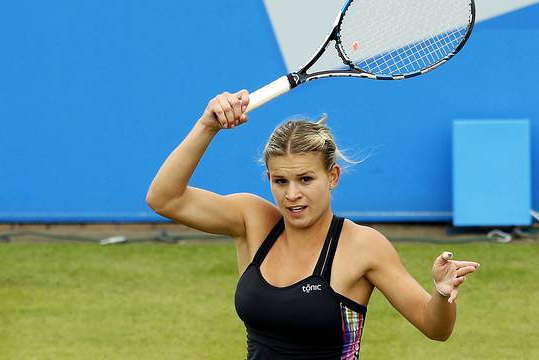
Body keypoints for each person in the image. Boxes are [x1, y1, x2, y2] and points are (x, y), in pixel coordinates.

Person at [146, 90, 480, 359]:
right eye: (280, 181)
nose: (292, 195)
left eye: (306, 179)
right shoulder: (252, 220)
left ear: (332, 176)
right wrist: (208, 125)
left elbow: (435, 328)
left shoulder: (362, 246)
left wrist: (440, 294)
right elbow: (164, 199)